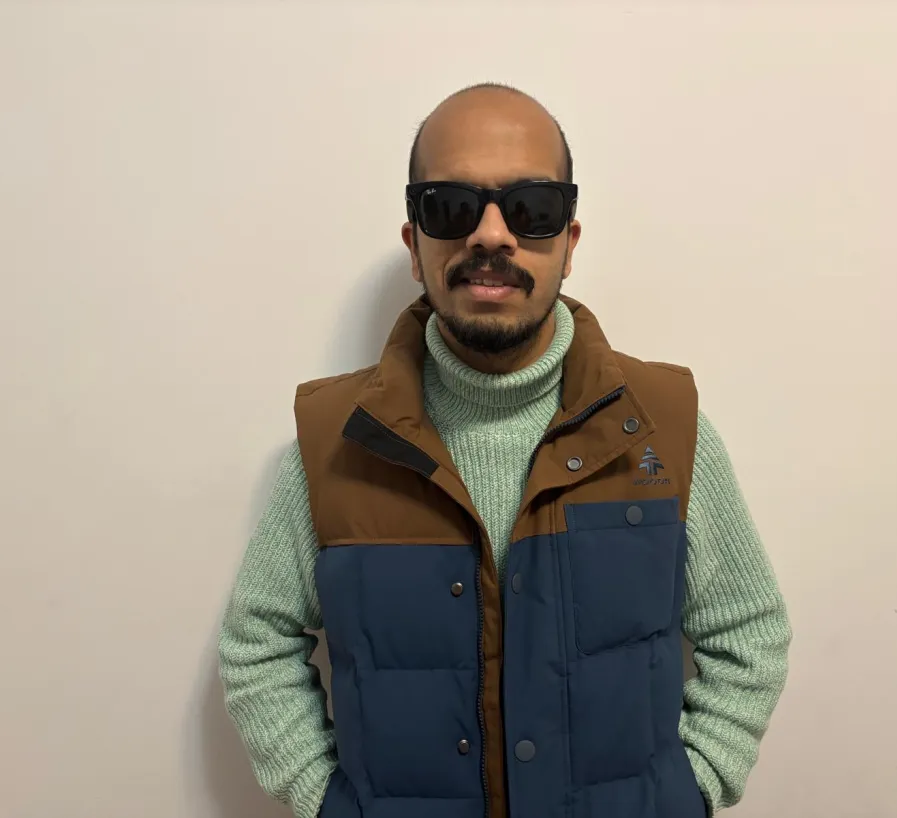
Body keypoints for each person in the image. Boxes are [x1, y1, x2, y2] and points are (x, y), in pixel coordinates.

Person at [219, 83, 791, 818]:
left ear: (569, 242)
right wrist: (330, 803)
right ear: (415, 245)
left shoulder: (663, 429)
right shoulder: (336, 442)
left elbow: (749, 630)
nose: (491, 234)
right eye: (451, 206)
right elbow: (255, 643)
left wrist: (685, 794)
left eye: (532, 208)